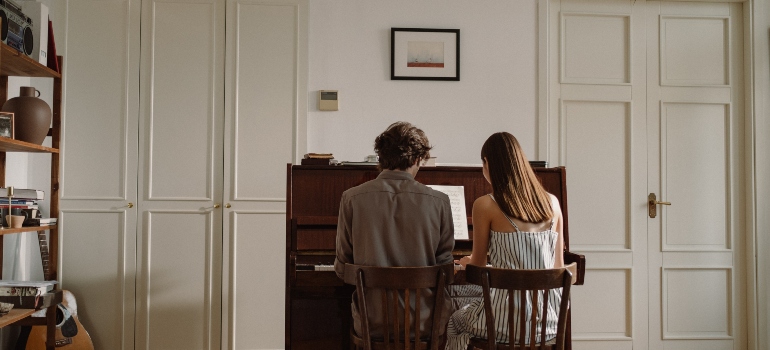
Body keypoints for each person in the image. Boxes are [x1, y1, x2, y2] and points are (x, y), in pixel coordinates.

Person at [334, 121, 455, 340]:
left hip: (372, 326)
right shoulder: (440, 201)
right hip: (425, 325)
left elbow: (343, 269)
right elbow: (445, 272)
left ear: (381, 158)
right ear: (418, 159)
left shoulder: (351, 198)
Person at [445, 132, 565, 349]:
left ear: (487, 163)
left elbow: (477, 269)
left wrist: (466, 263)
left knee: (454, 321)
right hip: (549, 323)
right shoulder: (553, 203)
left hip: (503, 325)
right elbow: (557, 268)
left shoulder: (485, 205)